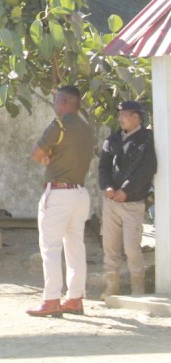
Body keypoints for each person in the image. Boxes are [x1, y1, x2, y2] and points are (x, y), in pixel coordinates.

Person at [27, 86, 95, 318]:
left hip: (58, 193)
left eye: (57, 101)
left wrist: (46, 157)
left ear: (66, 102)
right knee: (76, 247)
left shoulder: (59, 125)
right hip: (80, 194)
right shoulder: (87, 129)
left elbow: (36, 153)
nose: (55, 105)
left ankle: (51, 299)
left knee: (51, 248)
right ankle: (75, 298)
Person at [98, 100, 157, 298]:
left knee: (132, 248)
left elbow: (147, 169)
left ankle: (137, 289)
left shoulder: (146, 140)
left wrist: (126, 190)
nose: (120, 118)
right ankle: (111, 288)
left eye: (125, 114)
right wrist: (107, 186)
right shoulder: (112, 139)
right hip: (111, 202)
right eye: (120, 114)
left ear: (136, 117)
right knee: (110, 246)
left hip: (133, 203)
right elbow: (103, 167)